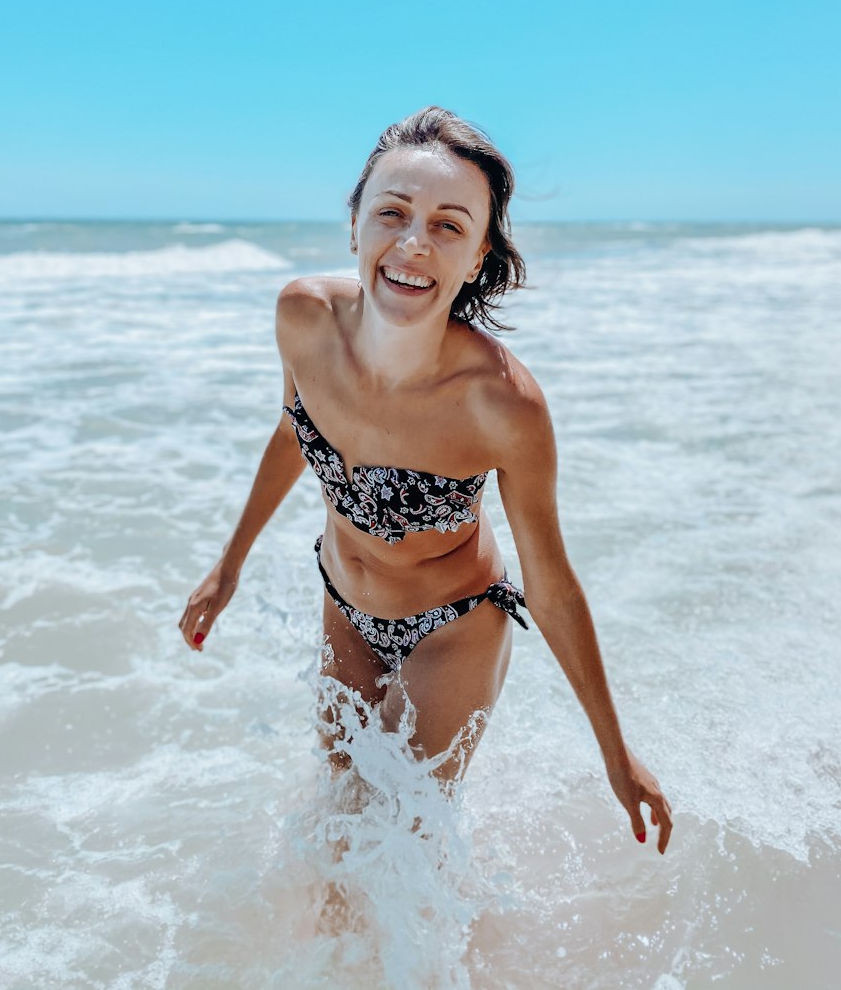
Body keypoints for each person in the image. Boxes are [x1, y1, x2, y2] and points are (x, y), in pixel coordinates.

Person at [179, 107, 673, 854]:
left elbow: (553, 581)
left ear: (476, 256)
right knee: (337, 824)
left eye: (449, 225)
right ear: (355, 225)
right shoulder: (302, 317)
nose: (413, 242)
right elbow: (292, 429)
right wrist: (229, 563)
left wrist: (615, 749)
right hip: (343, 607)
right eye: (393, 212)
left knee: (400, 844)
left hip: (454, 627)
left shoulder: (504, 404)